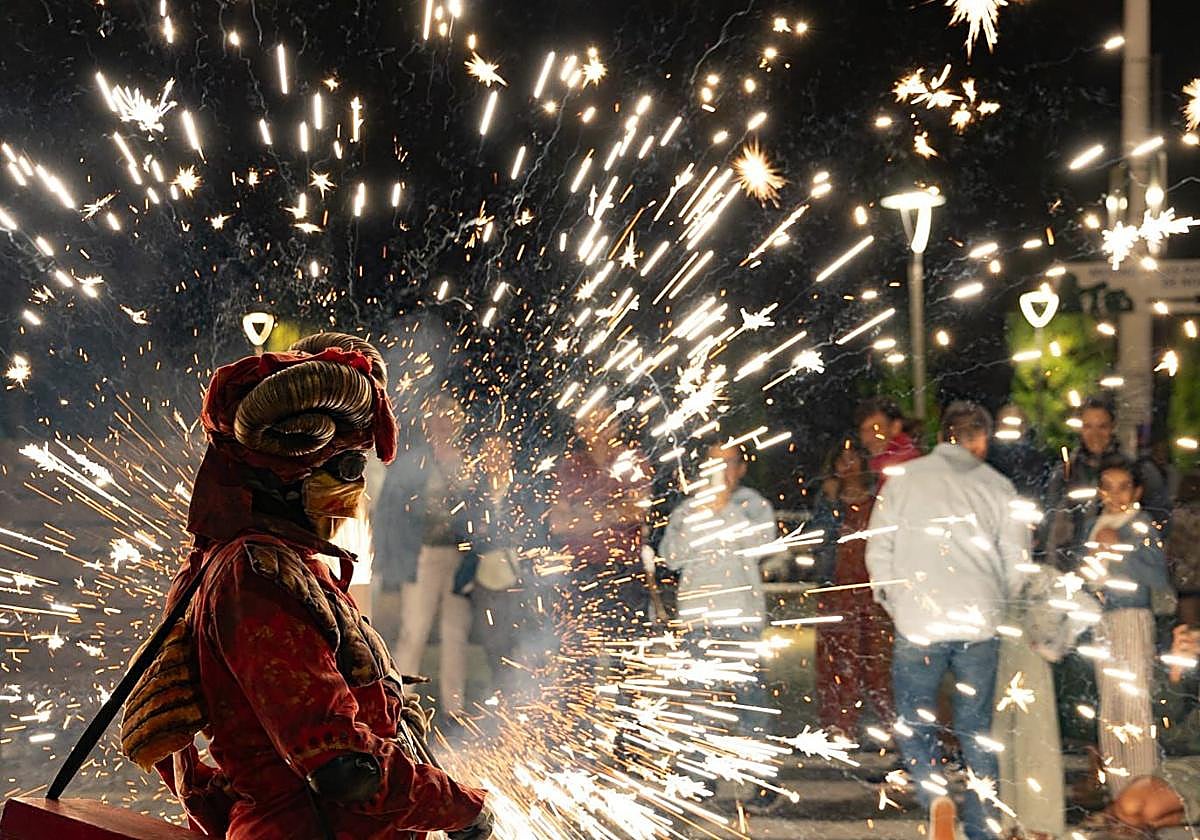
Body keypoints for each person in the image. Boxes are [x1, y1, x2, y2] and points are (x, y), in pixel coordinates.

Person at [119, 332, 493, 840]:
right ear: (289, 474)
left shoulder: (260, 561)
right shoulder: (255, 574)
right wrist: (459, 808)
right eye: (347, 468)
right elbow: (341, 767)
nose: (356, 490)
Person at [865, 401, 1030, 840]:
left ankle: (933, 791)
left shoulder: (904, 481)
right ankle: (982, 830)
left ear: (941, 436)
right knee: (977, 731)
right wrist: (997, 605)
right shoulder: (999, 487)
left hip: (919, 619)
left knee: (914, 718)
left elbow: (878, 548)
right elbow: (1017, 562)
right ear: (981, 439)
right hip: (978, 623)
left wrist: (896, 602)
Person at [657, 439, 778, 730]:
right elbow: (670, 557)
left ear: (741, 468)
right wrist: (699, 518)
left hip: (742, 617)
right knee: (700, 699)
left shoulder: (754, 505)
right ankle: (700, 768)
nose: (721, 471)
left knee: (750, 696)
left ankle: (754, 764)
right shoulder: (688, 510)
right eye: (714, 463)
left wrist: (726, 509)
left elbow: (763, 545)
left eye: (729, 463)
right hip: (697, 618)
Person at [375, 392, 479, 723]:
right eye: (438, 415)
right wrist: (389, 564)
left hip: (459, 558)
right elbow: (389, 514)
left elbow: (480, 511)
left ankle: (454, 708)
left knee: (455, 633)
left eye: (451, 415)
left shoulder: (467, 461)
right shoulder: (413, 463)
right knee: (414, 631)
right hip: (421, 556)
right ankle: (401, 704)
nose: (445, 422)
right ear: (428, 423)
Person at [1073, 455, 1170, 800]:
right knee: (1111, 705)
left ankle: (1143, 790)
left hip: (1131, 617)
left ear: (1137, 490)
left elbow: (1158, 576)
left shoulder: (1140, 524)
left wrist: (1121, 549)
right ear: (1099, 491)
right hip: (1102, 620)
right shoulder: (1093, 525)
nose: (1115, 495)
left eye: (1124, 487)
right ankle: (1119, 794)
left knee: (1134, 702)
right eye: (1108, 487)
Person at [810, 439, 894, 737]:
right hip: (836, 593)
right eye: (840, 460)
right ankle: (838, 728)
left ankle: (894, 730)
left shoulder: (879, 503)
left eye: (852, 459)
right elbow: (817, 541)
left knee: (876, 665)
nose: (847, 466)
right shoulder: (829, 503)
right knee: (836, 662)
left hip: (871, 595)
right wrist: (832, 504)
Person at [548, 404, 650, 641]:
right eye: (593, 422)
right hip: (582, 572)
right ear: (580, 429)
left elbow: (637, 511)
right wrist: (613, 511)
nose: (602, 428)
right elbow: (558, 524)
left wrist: (585, 512)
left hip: (625, 571)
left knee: (627, 653)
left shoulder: (633, 461)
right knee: (581, 651)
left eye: (607, 420)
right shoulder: (570, 466)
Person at [1044, 397, 1170, 568]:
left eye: (1102, 426)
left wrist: (1124, 545)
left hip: (1125, 568)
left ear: (1113, 427)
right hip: (1073, 566)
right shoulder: (1065, 473)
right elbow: (1051, 520)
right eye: (1088, 426)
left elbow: (1159, 522)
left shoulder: (1136, 470)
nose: (1095, 434)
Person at [855, 396, 921, 485]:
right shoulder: (874, 466)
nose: (868, 438)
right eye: (864, 431)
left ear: (895, 427)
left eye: (876, 428)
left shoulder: (903, 463)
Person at [1166, 469, 1200, 628]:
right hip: (1191, 576)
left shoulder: (1179, 516)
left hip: (1186, 579)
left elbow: (1174, 548)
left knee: (1189, 627)